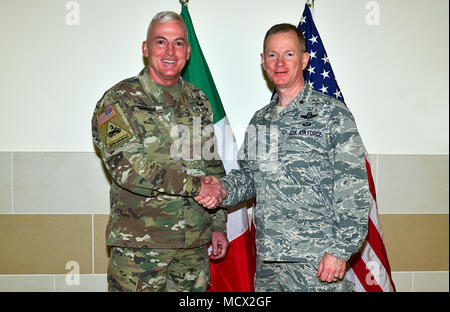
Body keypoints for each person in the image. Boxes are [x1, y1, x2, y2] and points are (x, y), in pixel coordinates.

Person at [196, 23, 370, 292]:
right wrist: (220, 190)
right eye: (272, 55)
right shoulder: (261, 119)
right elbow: (251, 179)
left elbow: (353, 190)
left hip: (317, 262)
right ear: (263, 60)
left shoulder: (332, 115)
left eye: (289, 54)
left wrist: (340, 250)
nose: (280, 62)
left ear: (304, 60)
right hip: (268, 264)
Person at [92, 11, 228, 292]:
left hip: (193, 248)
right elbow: (130, 170)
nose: (170, 51)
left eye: (178, 43)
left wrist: (218, 224)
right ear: (146, 48)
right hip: (140, 251)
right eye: (161, 42)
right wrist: (195, 186)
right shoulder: (117, 101)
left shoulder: (198, 100)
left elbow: (211, 164)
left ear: (188, 52)